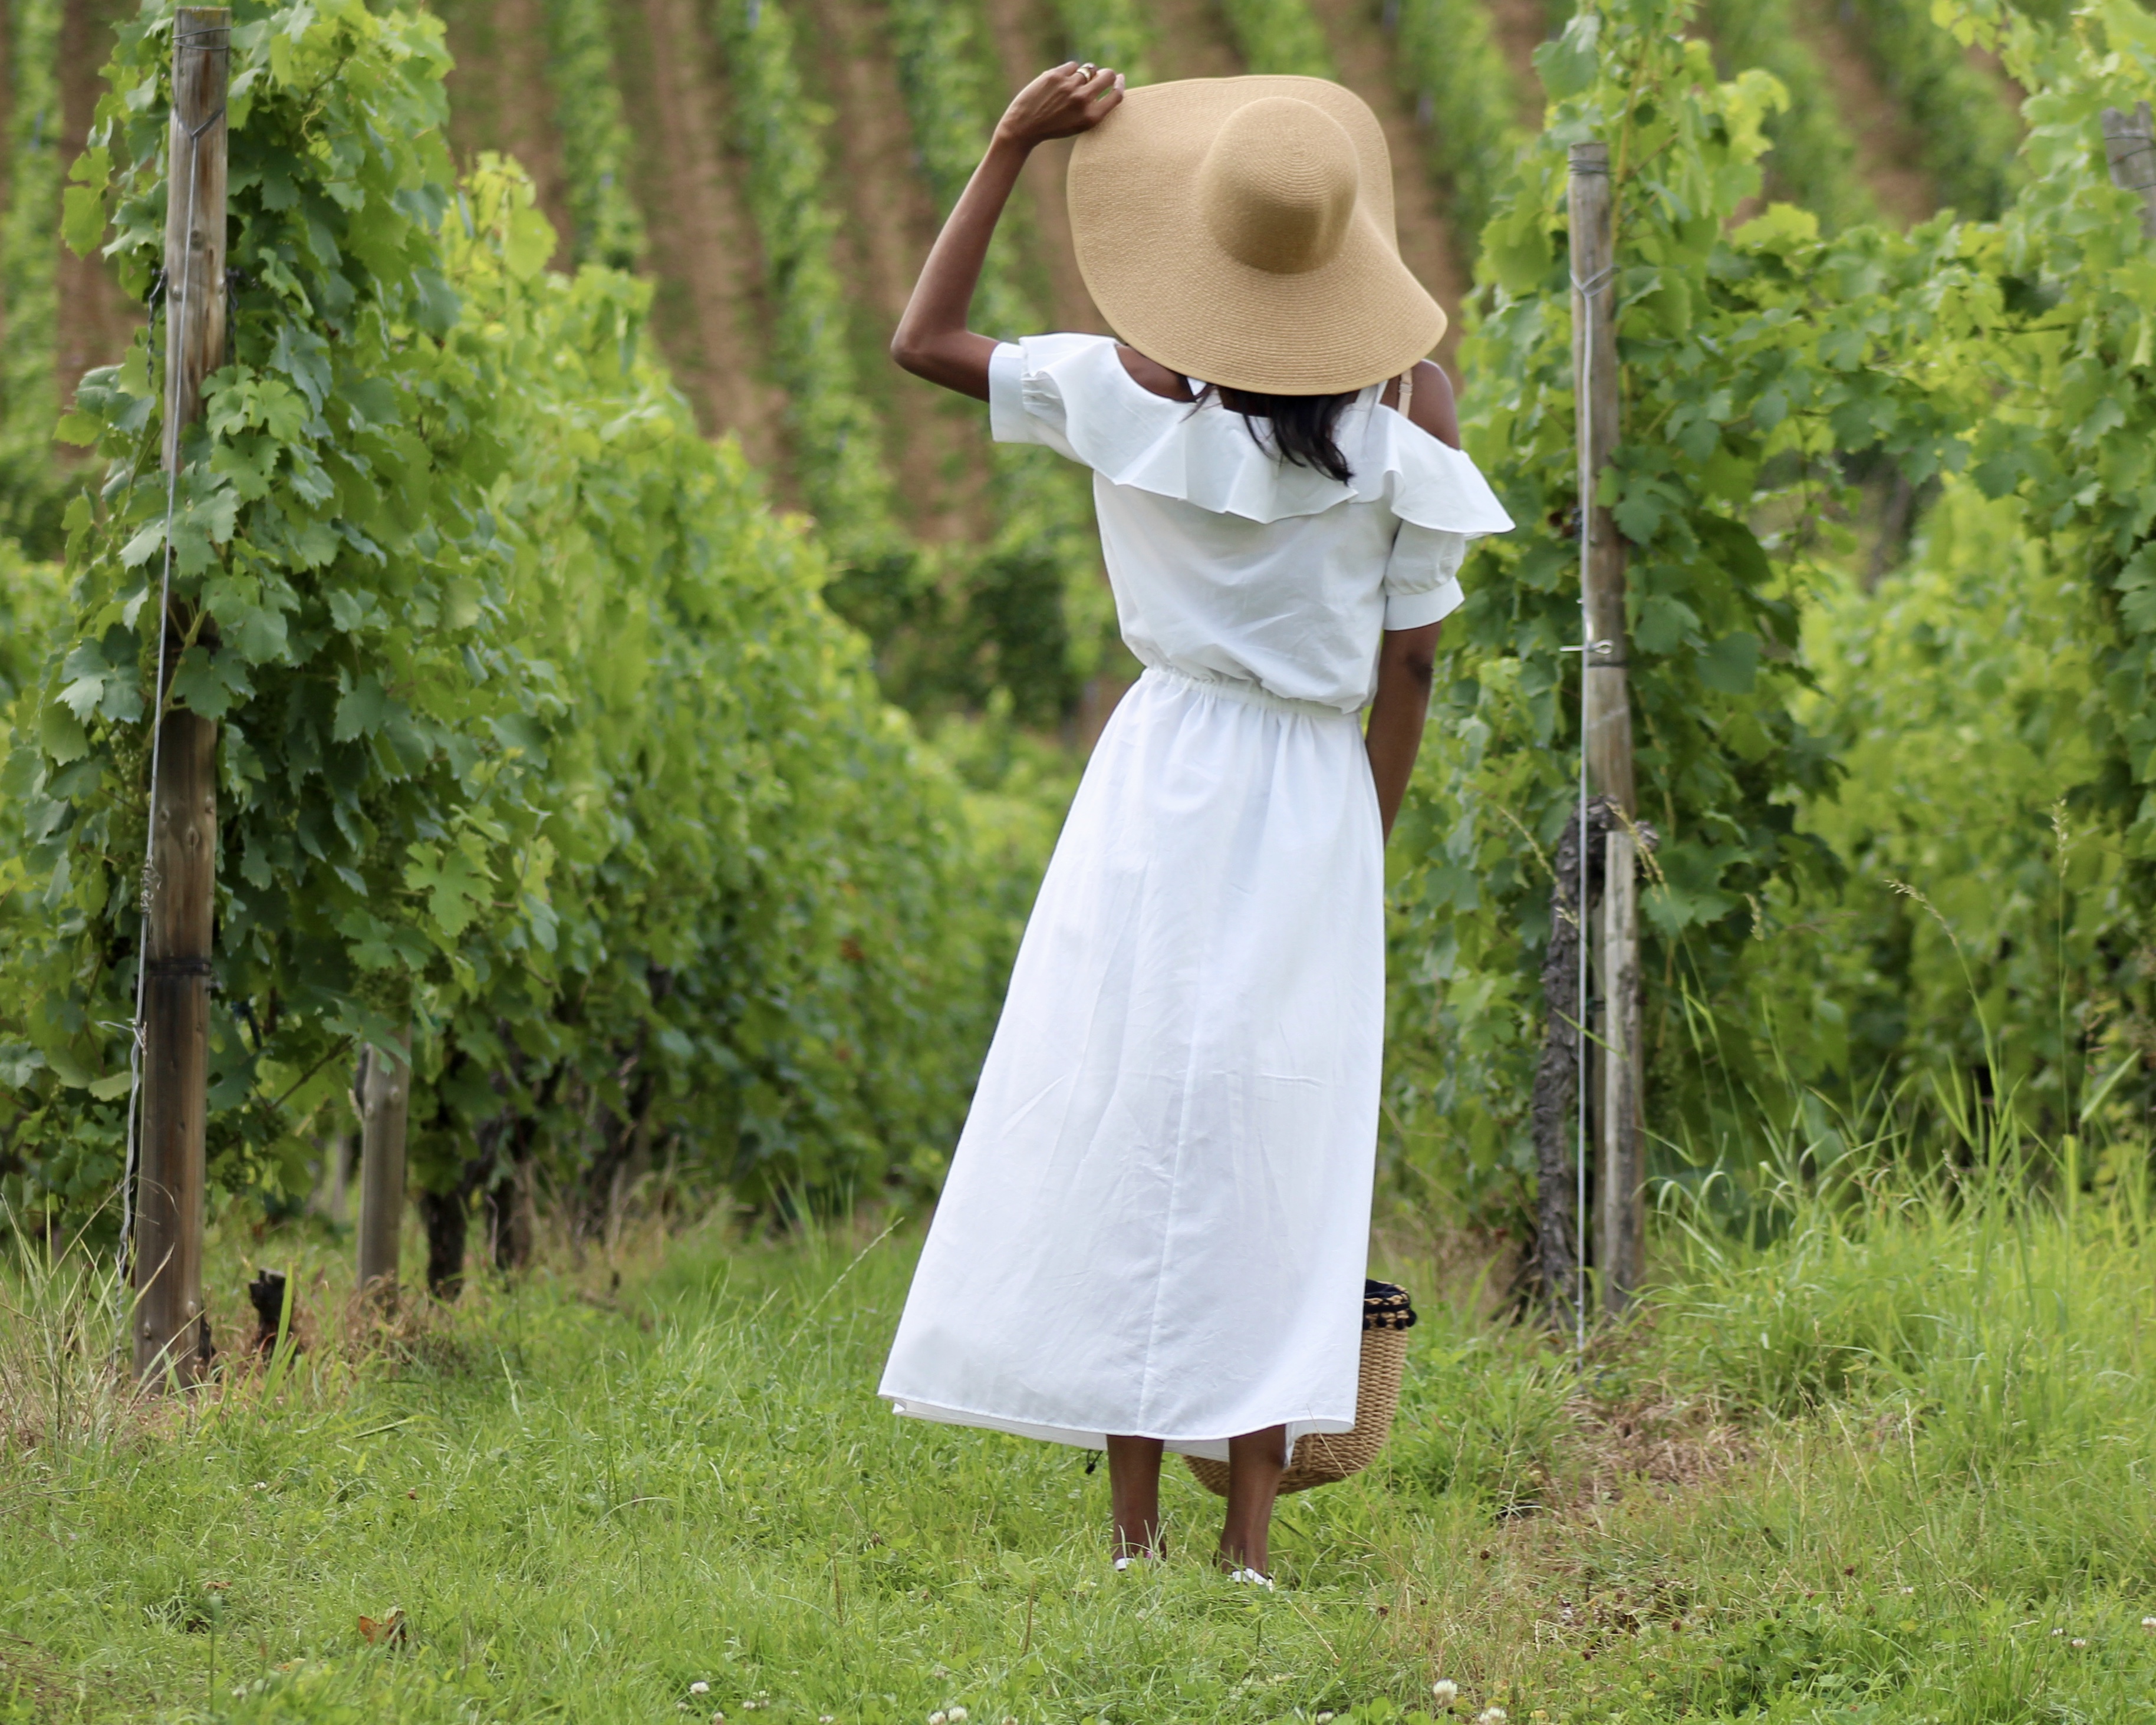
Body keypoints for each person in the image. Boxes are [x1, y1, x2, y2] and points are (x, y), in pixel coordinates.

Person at [877, 61, 1512, 1584]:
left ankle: (1130, 1536)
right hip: (1311, 790)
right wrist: (1360, 829)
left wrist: (1009, 151)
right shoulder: (1408, 414)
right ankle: (1246, 1547)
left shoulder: (1117, 391)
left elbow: (922, 339)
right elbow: (1411, 663)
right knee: (1277, 1143)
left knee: (1138, 1113)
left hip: (1157, 776)